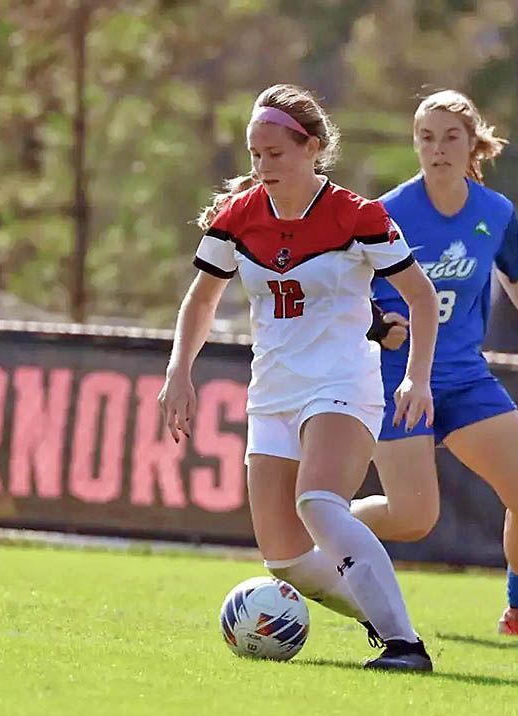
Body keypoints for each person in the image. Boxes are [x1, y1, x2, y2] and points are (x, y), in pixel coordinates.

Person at [159, 84, 442, 672]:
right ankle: (378, 613)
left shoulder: (357, 214)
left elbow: (419, 295)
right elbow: (201, 301)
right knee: (284, 560)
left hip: (343, 382)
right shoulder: (240, 217)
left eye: (275, 154)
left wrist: (416, 377)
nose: (262, 167)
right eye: (255, 155)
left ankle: (405, 645)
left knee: (318, 503)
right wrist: (179, 371)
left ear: (312, 149)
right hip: (272, 392)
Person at [353, 90, 518, 643]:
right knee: (412, 518)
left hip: (463, 377)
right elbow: (346, 289)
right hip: (398, 378)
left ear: (472, 142)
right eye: (426, 138)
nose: (438, 149)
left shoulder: (495, 212)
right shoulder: (386, 213)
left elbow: (516, 275)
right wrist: (380, 323)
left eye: (451, 136)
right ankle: (316, 533)